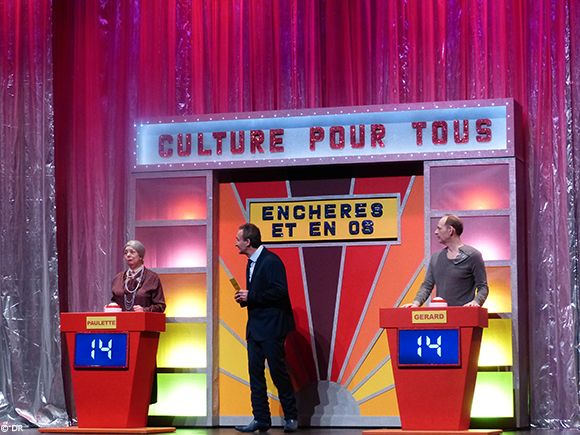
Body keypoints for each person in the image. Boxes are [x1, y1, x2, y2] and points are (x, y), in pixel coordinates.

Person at [234, 223, 298, 433]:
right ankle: (261, 418)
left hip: (272, 327)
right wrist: (245, 298)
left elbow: (280, 291)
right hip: (255, 327)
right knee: (255, 374)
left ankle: (291, 416)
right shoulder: (251, 263)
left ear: (248, 241)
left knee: (278, 373)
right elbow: (259, 294)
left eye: (238, 240)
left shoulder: (271, 261)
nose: (236, 244)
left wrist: (251, 296)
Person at [402, 214, 488, 308]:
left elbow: (483, 287)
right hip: (441, 314)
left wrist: (475, 302)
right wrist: (416, 303)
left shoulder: (472, 255)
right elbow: (427, 285)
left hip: (464, 314)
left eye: (439, 228)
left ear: (450, 230)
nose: (436, 232)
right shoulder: (436, 256)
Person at [110, 240, 166, 312]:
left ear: (140, 256)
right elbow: (115, 302)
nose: (128, 255)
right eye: (125, 253)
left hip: (143, 319)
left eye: (132, 252)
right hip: (122, 318)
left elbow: (160, 306)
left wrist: (144, 310)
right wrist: (110, 307)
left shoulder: (151, 278)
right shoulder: (118, 278)